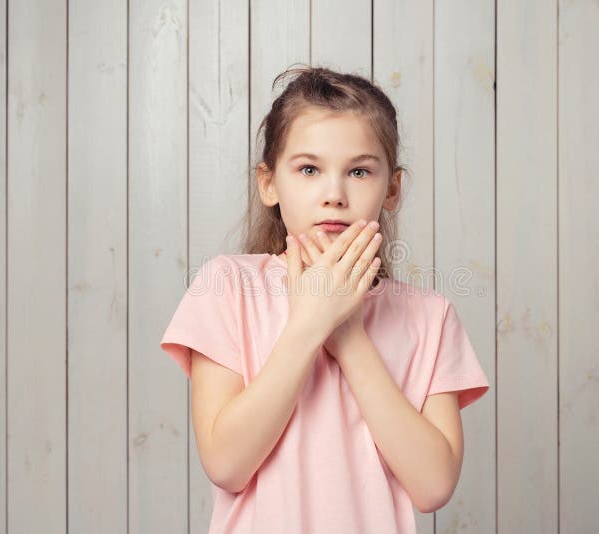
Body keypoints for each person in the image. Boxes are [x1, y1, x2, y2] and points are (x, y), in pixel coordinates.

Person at [160, 65, 490, 534]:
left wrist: (349, 338)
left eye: (358, 170)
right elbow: (227, 464)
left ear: (391, 188)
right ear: (269, 182)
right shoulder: (228, 288)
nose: (334, 195)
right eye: (309, 169)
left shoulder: (430, 317)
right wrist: (310, 323)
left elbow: (433, 486)